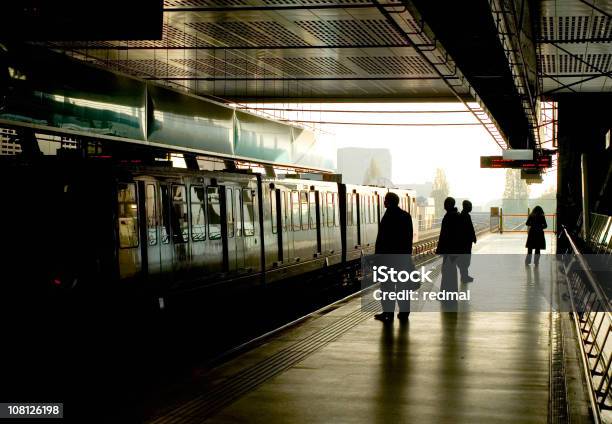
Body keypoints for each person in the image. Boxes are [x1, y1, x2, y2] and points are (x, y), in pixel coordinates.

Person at [374, 192, 414, 323]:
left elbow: (381, 239)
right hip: (402, 258)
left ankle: (388, 313)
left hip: (388, 259)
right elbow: (409, 239)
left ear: (389, 202)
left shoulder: (387, 216)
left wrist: (378, 257)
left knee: (387, 287)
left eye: (385, 200)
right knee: (403, 286)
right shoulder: (406, 216)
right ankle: (404, 313)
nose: (384, 202)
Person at [436, 197, 461, 310]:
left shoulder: (451, 216)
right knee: (448, 272)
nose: (444, 205)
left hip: (450, 250)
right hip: (451, 250)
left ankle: (448, 295)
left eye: (446, 203)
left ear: (450, 204)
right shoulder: (453, 215)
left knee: (448, 272)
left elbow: (447, 235)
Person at [457, 200, 477, 283]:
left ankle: (465, 276)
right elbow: (470, 228)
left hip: (465, 243)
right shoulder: (465, 216)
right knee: (465, 261)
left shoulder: (464, 215)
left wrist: (473, 237)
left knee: (465, 261)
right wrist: (473, 237)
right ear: (466, 207)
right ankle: (464, 277)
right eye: (470, 206)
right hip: (465, 243)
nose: (471, 208)